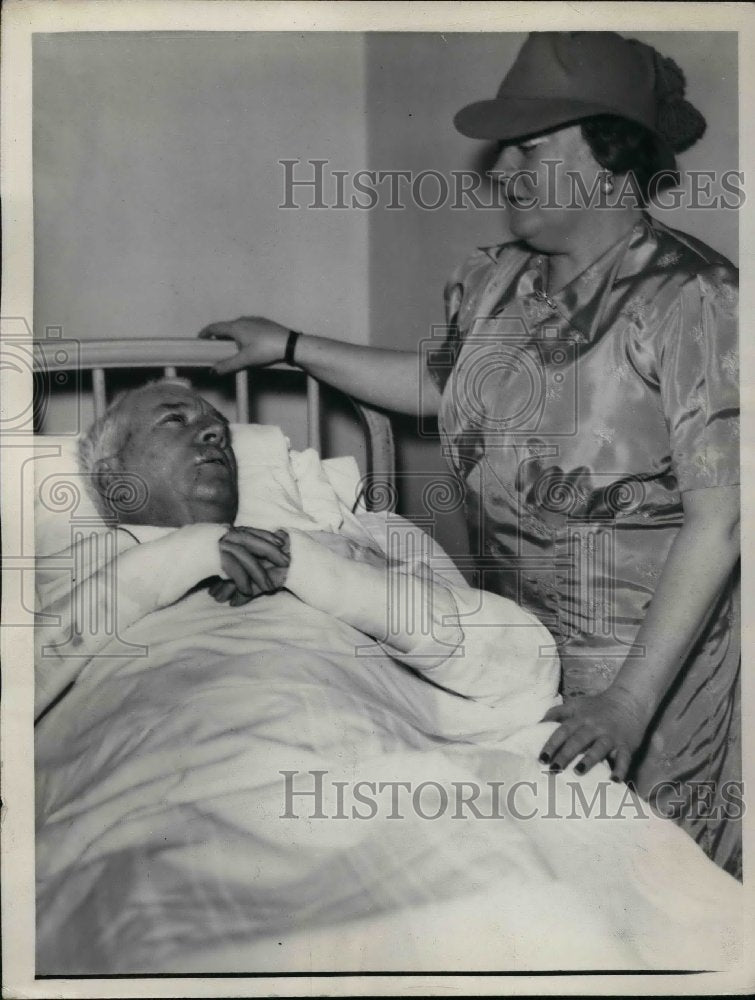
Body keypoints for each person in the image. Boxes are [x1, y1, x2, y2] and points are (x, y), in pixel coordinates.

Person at [197, 32, 741, 874]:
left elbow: (724, 512)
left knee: (660, 876)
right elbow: (440, 386)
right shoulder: (495, 280)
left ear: (607, 154)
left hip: (650, 666)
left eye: (530, 146)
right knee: (544, 875)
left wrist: (630, 702)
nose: (504, 168)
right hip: (515, 643)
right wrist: (291, 345)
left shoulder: (690, 298)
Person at [36, 379, 558, 739]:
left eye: (219, 426)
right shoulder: (80, 567)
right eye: (175, 419)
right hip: (154, 772)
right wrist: (188, 556)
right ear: (113, 479)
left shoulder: (348, 545)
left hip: (374, 765)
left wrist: (319, 574)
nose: (217, 433)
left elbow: (527, 667)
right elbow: (21, 684)